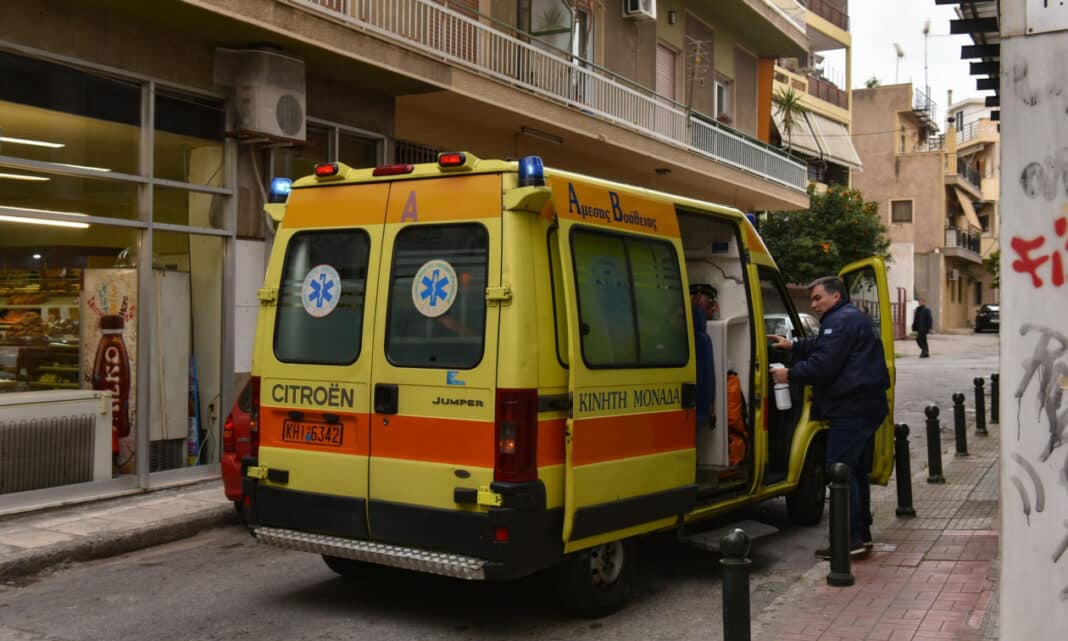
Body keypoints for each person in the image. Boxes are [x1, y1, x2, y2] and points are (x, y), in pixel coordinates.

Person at [768, 276, 890, 559]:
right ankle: (860, 536)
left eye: (817, 298)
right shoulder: (849, 317)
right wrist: (793, 345)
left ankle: (848, 541)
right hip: (865, 407)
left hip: (851, 410)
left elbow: (823, 365)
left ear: (836, 296)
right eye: (812, 299)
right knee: (854, 472)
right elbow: (825, 345)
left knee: (839, 472)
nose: (814, 305)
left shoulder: (839, 320)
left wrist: (789, 374)